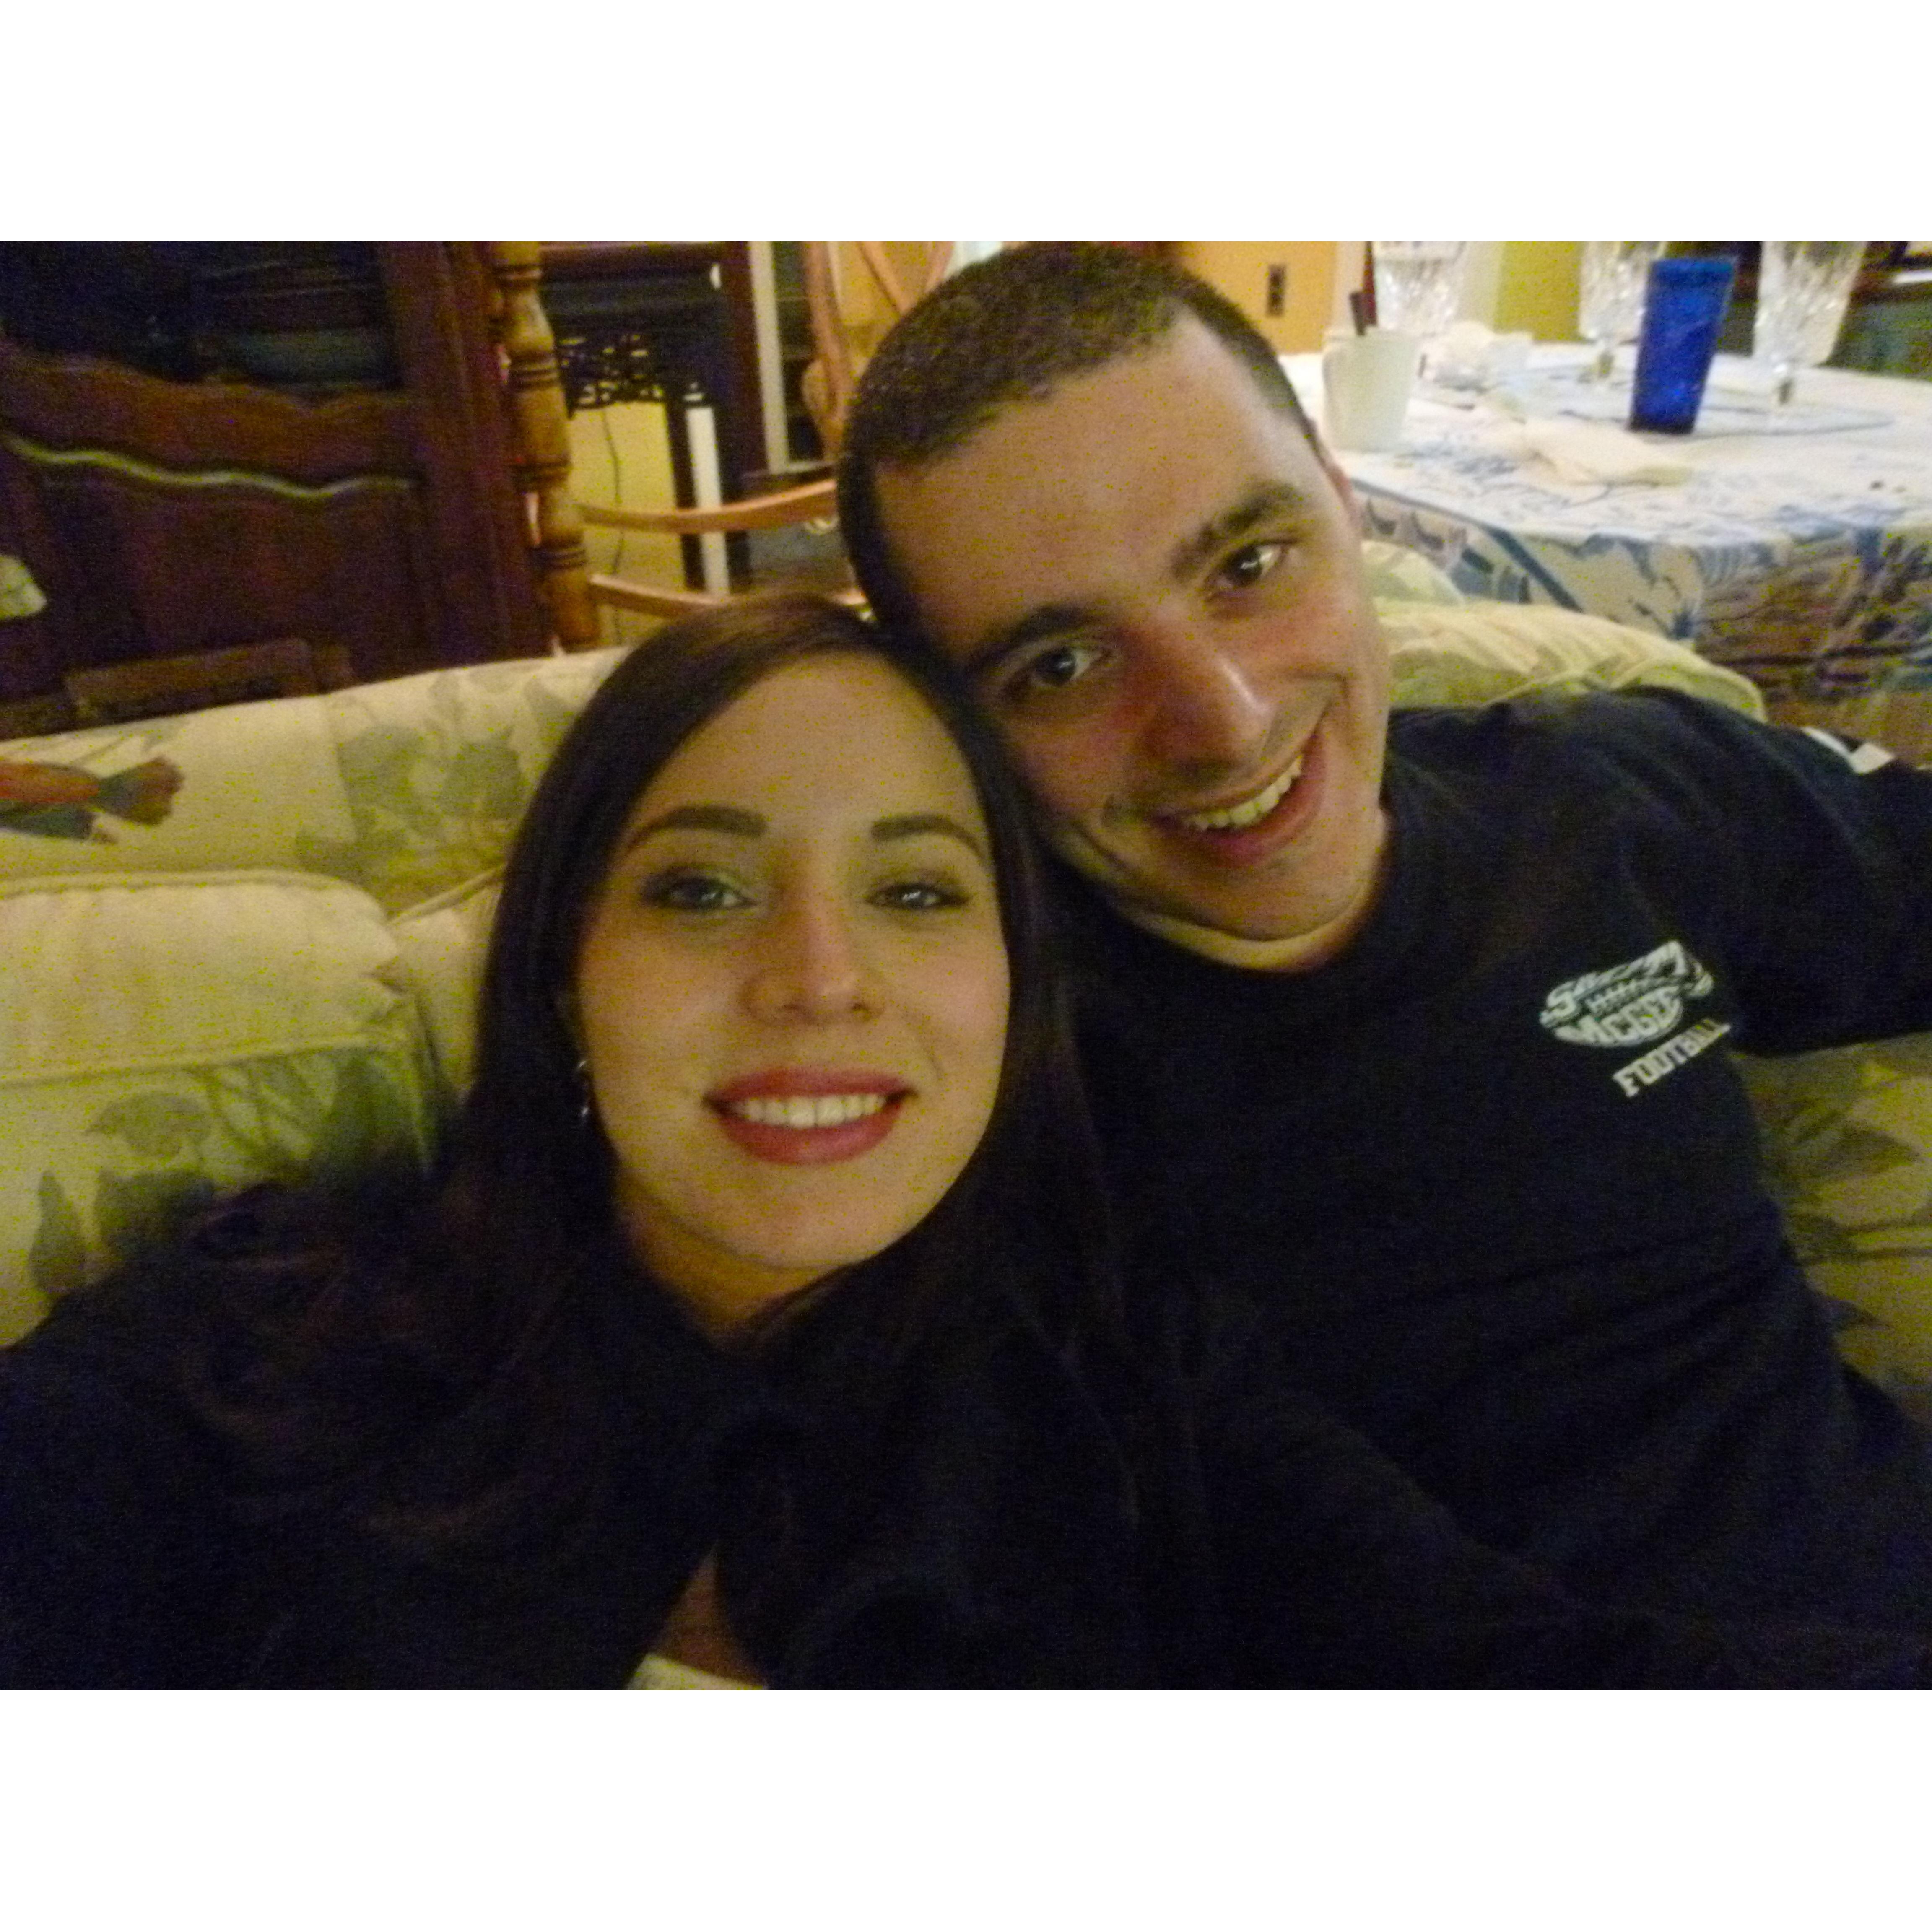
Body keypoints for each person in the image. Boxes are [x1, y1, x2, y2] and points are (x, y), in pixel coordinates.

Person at [5, 593, 1932, 1688]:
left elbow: (1519, 1685)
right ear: (564, 972)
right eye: (700, 890)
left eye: (920, 893)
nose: (818, 979)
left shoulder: (1134, 1383)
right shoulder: (249, 1346)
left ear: (1016, 994)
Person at [835, 242, 1932, 1634]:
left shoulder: (1608, 797)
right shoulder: (968, 1087)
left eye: (1249, 563)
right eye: (1061, 666)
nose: (1225, 723)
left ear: (1346, 505)